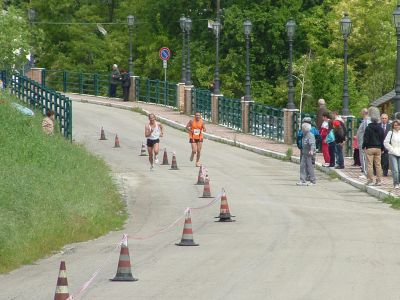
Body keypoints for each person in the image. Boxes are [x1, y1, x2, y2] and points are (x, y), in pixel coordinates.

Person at [362, 107, 384, 186]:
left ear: (371, 120)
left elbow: (366, 138)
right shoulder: (380, 128)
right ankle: (379, 180)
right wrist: (382, 148)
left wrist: (363, 146)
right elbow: (382, 139)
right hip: (378, 148)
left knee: (370, 165)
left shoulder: (368, 128)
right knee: (378, 165)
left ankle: (370, 180)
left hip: (370, 148)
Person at [296, 120, 316, 186]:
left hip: (310, 154)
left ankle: (313, 181)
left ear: (305, 129)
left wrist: (312, 150)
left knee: (310, 168)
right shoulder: (304, 135)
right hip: (304, 154)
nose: (301, 130)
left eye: (302, 129)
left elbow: (312, 144)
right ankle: (302, 180)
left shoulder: (310, 135)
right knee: (302, 166)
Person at [384, 120, 400, 189]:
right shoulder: (390, 133)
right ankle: (395, 183)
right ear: (393, 126)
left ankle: (398, 182)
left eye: (398, 125)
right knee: (395, 169)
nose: (396, 126)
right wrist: (391, 149)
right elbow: (386, 142)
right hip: (392, 153)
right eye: (395, 125)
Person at [357, 108, 370, 178]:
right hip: (361, 142)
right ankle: (365, 171)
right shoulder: (364, 121)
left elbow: (366, 132)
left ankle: (366, 173)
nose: (360, 113)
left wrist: (365, 143)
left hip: (363, 142)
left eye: (361, 112)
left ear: (364, 113)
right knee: (363, 157)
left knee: (364, 157)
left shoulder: (366, 121)